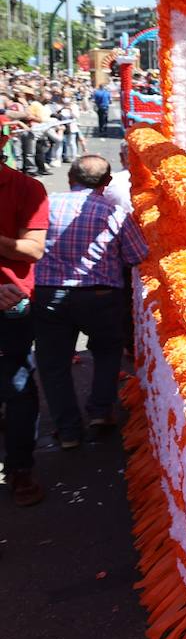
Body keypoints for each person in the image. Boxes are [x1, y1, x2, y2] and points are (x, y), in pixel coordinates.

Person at [32, 156, 148, 448]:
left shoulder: (46, 205)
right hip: (100, 295)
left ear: (71, 176)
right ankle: (99, 411)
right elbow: (136, 255)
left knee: (53, 364)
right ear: (107, 183)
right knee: (107, 352)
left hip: (49, 293)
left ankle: (68, 430)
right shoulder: (113, 211)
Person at [0, 163, 49, 505]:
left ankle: (20, 469)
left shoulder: (25, 187)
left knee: (16, 388)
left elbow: (33, 250)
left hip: (10, 308)